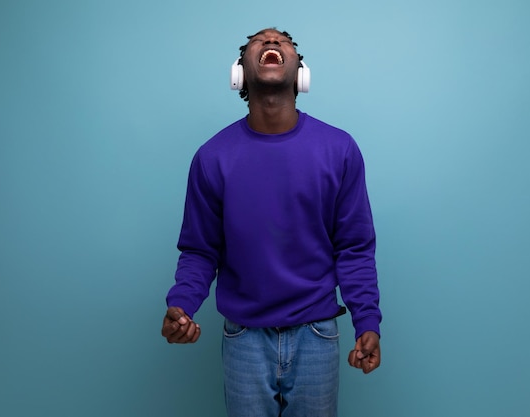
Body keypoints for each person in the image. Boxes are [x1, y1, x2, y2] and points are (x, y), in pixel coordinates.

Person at [161, 28, 381, 417]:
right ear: (240, 72)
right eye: (258, 41)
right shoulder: (212, 158)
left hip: (317, 331)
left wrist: (367, 320)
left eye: (283, 40)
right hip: (243, 336)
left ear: (300, 71)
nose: (271, 42)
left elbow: (354, 247)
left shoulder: (339, 149)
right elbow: (199, 249)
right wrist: (181, 305)